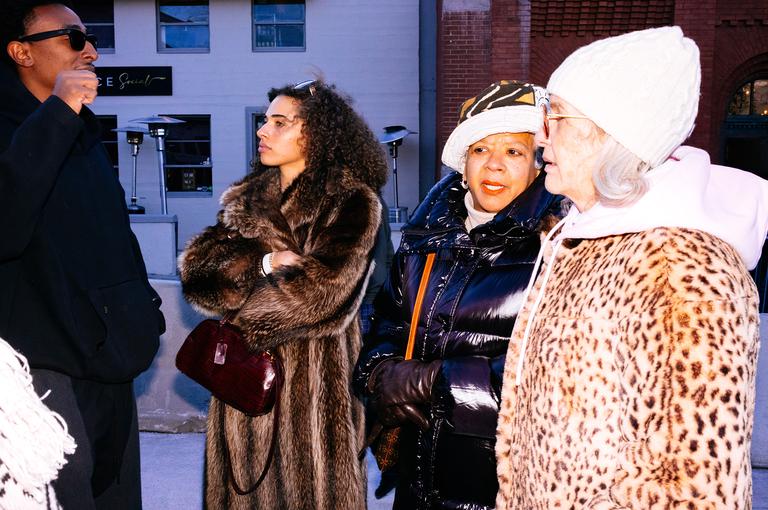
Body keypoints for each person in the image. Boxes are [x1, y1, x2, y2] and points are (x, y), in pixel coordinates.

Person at [494, 26, 768, 509]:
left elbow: (690, 490)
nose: (539, 136)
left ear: (610, 134)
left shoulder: (678, 269)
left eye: (555, 115)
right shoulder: (591, 237)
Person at [178, 80, 388, 509]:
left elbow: (322, 293)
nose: (263, 130)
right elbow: (197, 275)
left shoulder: (351, 201)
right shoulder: (246, 201)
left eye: (279, 122)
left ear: (316, 133)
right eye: (264, 120)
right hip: (244, 394)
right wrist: (264, 264)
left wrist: (238, 304)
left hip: (317, 396)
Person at [354, 81, 560, 509]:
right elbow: (386, 321)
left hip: (502, 486)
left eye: (513, 151)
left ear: (538, 167)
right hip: (416, 481)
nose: (494, 165)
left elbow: (553, 381)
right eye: (480, 149)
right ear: (464, 165)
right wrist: (380, 374)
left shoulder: (557, 247)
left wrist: (433, 385)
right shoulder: (424, 236)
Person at [0, 2, 164, 509]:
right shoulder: (24, 128)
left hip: (110, 354)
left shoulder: (85, 132)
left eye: (89, 37)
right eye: (73, 38)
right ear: (21, 52)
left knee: (117, 497)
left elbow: (114, 235)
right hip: (42, 365)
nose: (90, 50)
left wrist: (145, 309)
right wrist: (57, 112)